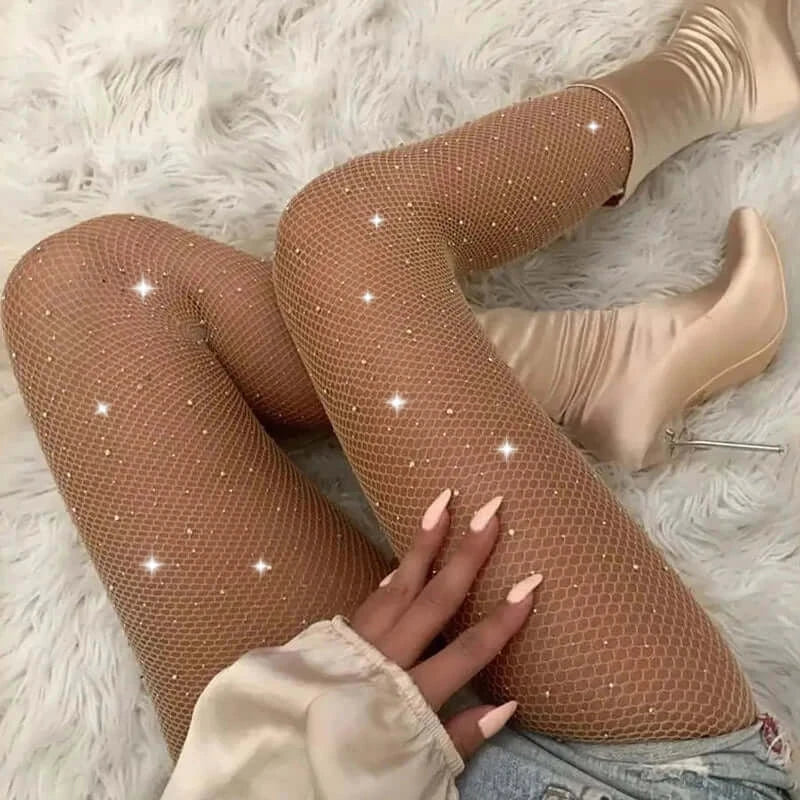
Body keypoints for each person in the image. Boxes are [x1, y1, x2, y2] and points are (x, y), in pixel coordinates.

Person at [1, 0, 798, 797]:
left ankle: (587, 372)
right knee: (354, 231)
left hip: (298, 774)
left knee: (84, 289)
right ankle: (718, 71)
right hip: (642, 781)